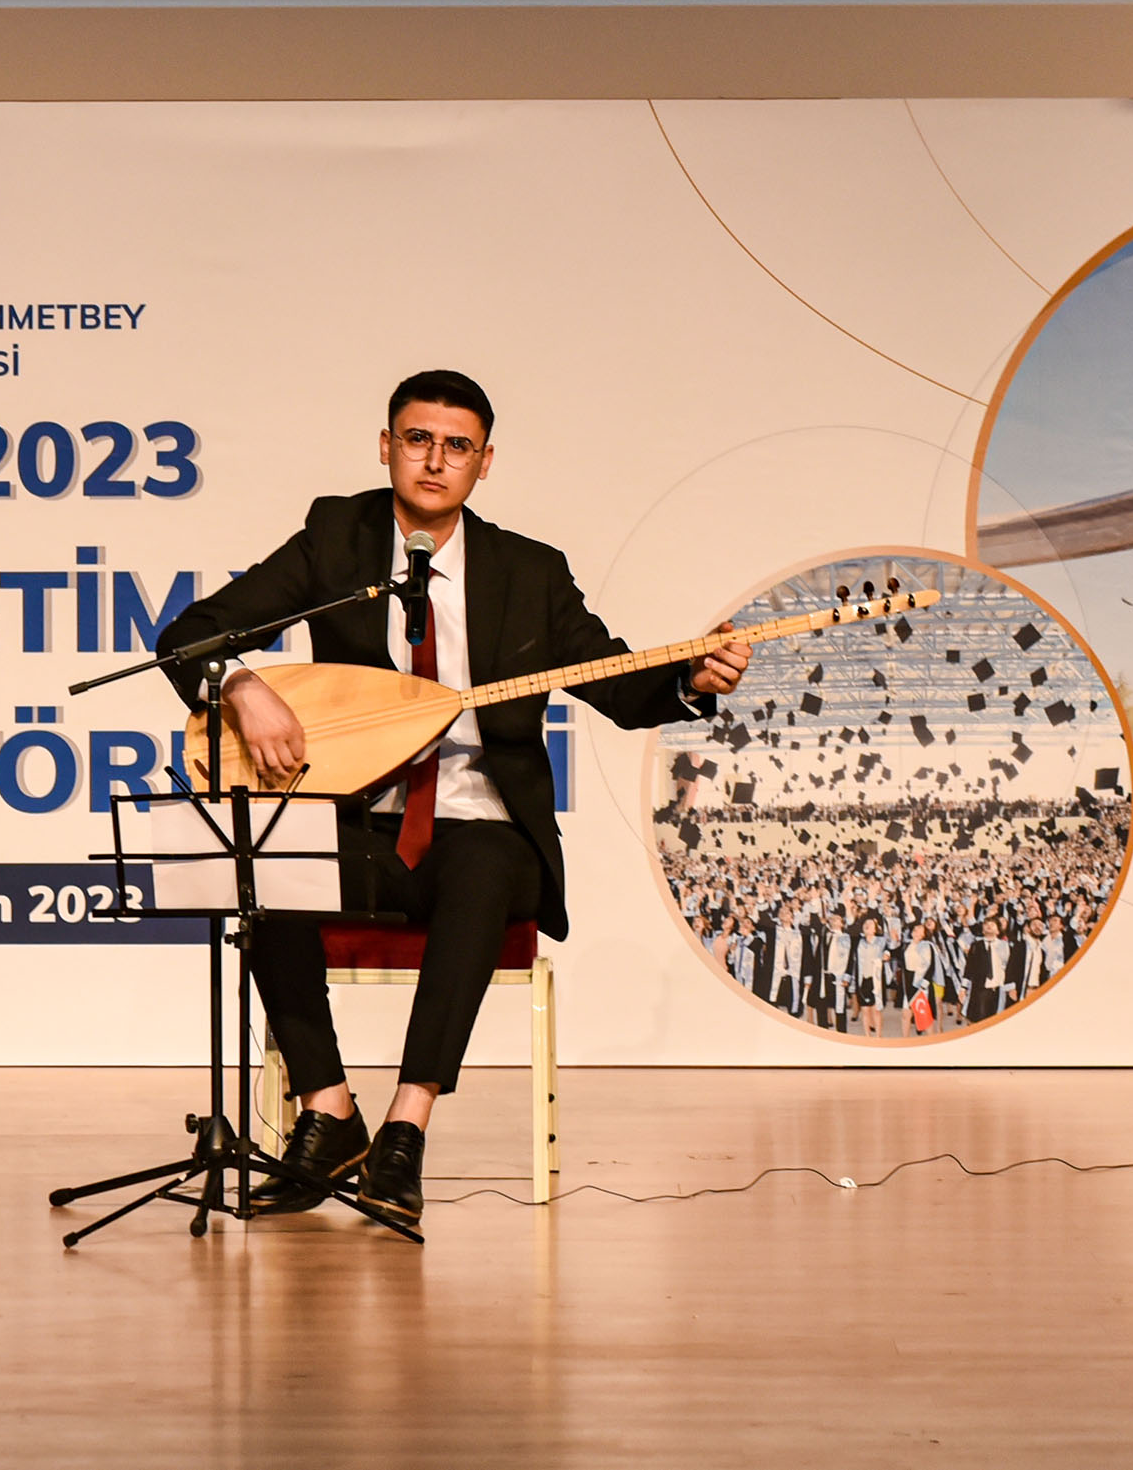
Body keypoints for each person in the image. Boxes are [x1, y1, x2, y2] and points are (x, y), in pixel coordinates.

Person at [156, 370, 750, 1226]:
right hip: (365, 822)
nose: (435, 460)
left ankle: (406, 1130)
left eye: (457, 446)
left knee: (480, 863)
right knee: (264, 867)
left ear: (485, 462)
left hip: (483, 825)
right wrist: (241, 684)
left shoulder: (529, 571)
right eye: (418, 439)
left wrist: (691, 679)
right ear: (386, 446)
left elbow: (617, 685)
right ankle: (328, 1110)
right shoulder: (336, 537)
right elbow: (190, 635)